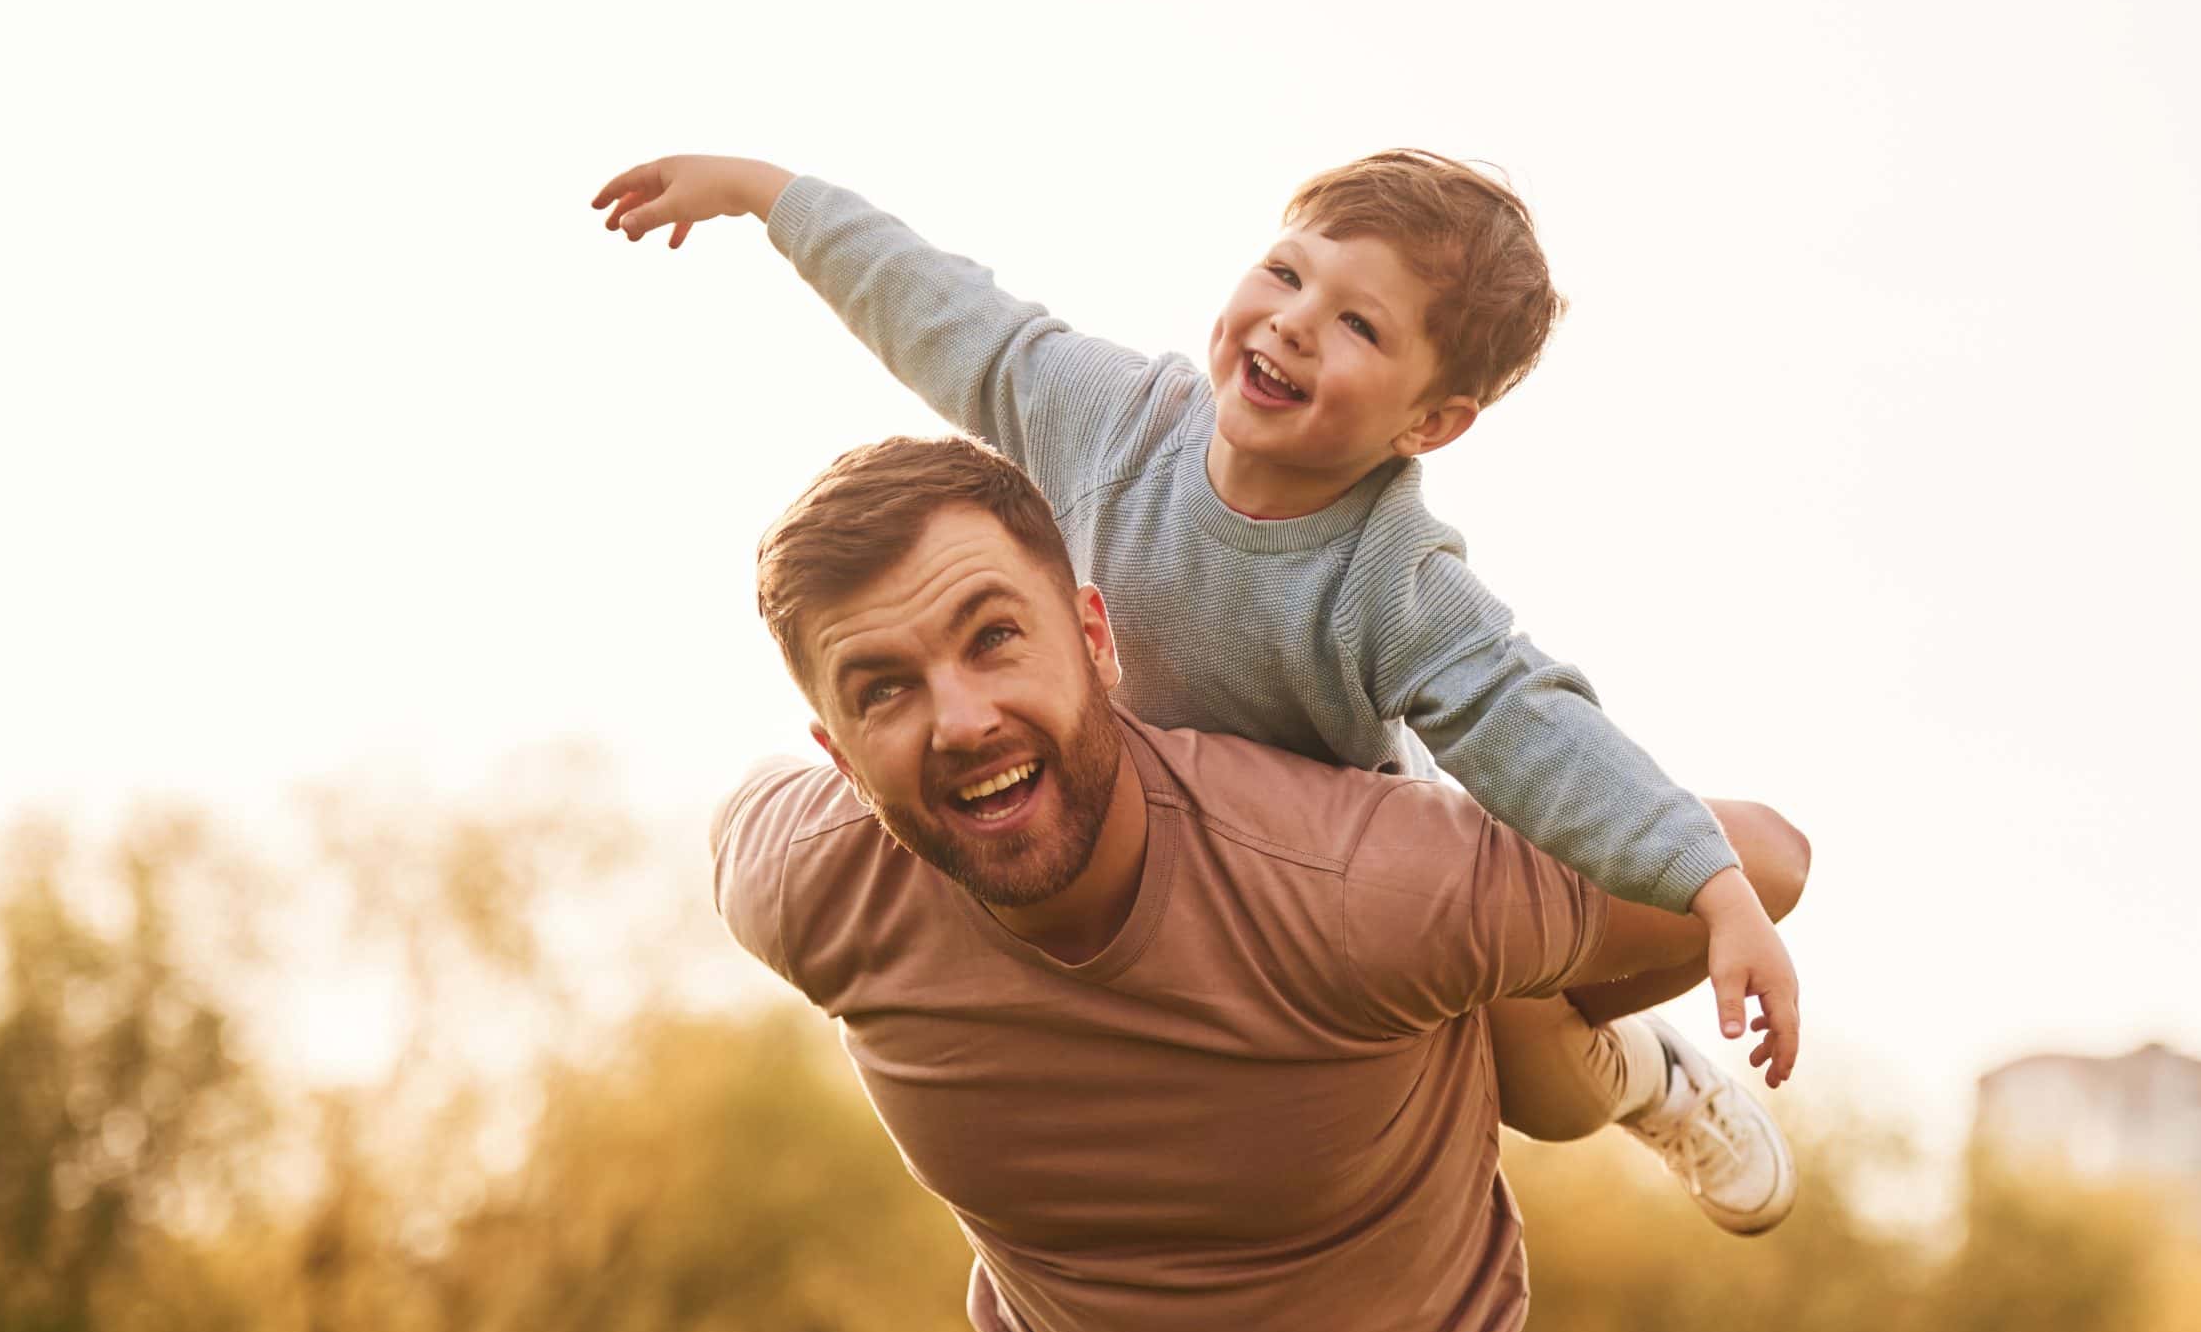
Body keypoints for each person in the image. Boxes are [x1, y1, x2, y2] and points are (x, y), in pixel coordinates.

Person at [709, 434, 1810, 1332]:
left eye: (993, 637)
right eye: (882, 688)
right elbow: (740, 818)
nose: (961, 718)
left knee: (1538, 1064)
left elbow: (1766, 859)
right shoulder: (808, 881)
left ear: (1095, 636)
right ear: (834, 753)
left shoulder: (1353, 879)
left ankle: (1625, 1065)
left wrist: (1539, 991)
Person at [597, 147, 1806, 1232]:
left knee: (1537, 1090)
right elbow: (947, 314)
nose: (1289, 326)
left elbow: (1525, 717)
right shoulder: (1117, 418)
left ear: (1430, 421)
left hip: (1332, 878)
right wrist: (768, 196)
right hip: (1125, 841)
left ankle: (1653, 1075)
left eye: (1358, 328)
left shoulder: (1394, 580)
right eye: (1285, 275)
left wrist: (1709, 886)